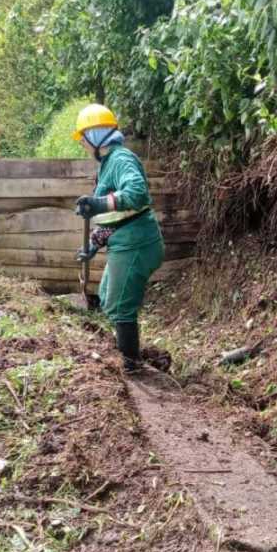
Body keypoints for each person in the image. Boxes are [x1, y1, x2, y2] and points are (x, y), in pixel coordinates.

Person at [73, 103, 164, 373]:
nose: (83, 146)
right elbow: (118, 216)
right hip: (124, 240)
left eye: (83, 139)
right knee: (105, 295)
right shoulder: (108, 163)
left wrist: (99, 204)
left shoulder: (121, 160)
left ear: (95, 136)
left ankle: (132, 365)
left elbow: (137, 194)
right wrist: (94, 243)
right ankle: (127, 350)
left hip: (137, 243)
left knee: (119, 304)